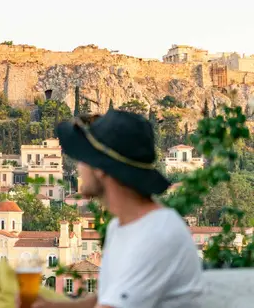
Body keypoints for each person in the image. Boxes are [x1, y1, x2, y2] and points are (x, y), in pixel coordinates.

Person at [31, 110, 202, 308]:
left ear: (101, 169)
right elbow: (105, 298)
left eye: (84, 158)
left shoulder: (158, 232)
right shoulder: (120, 227)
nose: (79, 167)